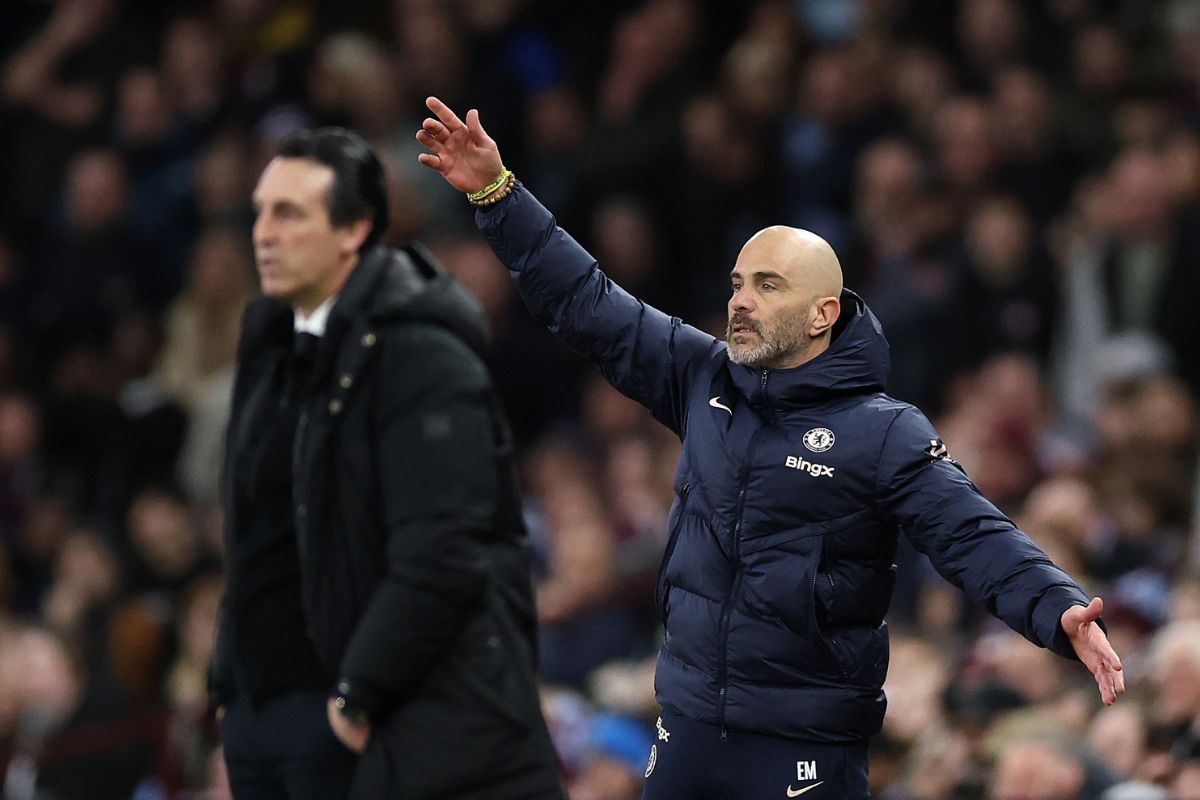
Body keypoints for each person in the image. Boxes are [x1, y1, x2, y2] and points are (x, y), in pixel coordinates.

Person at [415, 97, 1125, 800]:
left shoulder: (884, 431)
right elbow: (588, 300)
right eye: (737, 284)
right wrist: (497, 193)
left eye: (768, 285)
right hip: (688, 726)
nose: (741, 301)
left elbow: (972, 535)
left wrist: (1055, 606)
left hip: (804, 747)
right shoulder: (700, 376)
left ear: (823, 313)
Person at [209, 127, 565, 800]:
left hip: (386, 724)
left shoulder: (421, 355)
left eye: (289, 214)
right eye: (260, 212)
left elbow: (442, 555)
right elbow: (254, 534)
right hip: (269, 723)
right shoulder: (270, 345)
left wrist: (353, 704)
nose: (263, 234)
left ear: (354, 230)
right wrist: (234, 686)